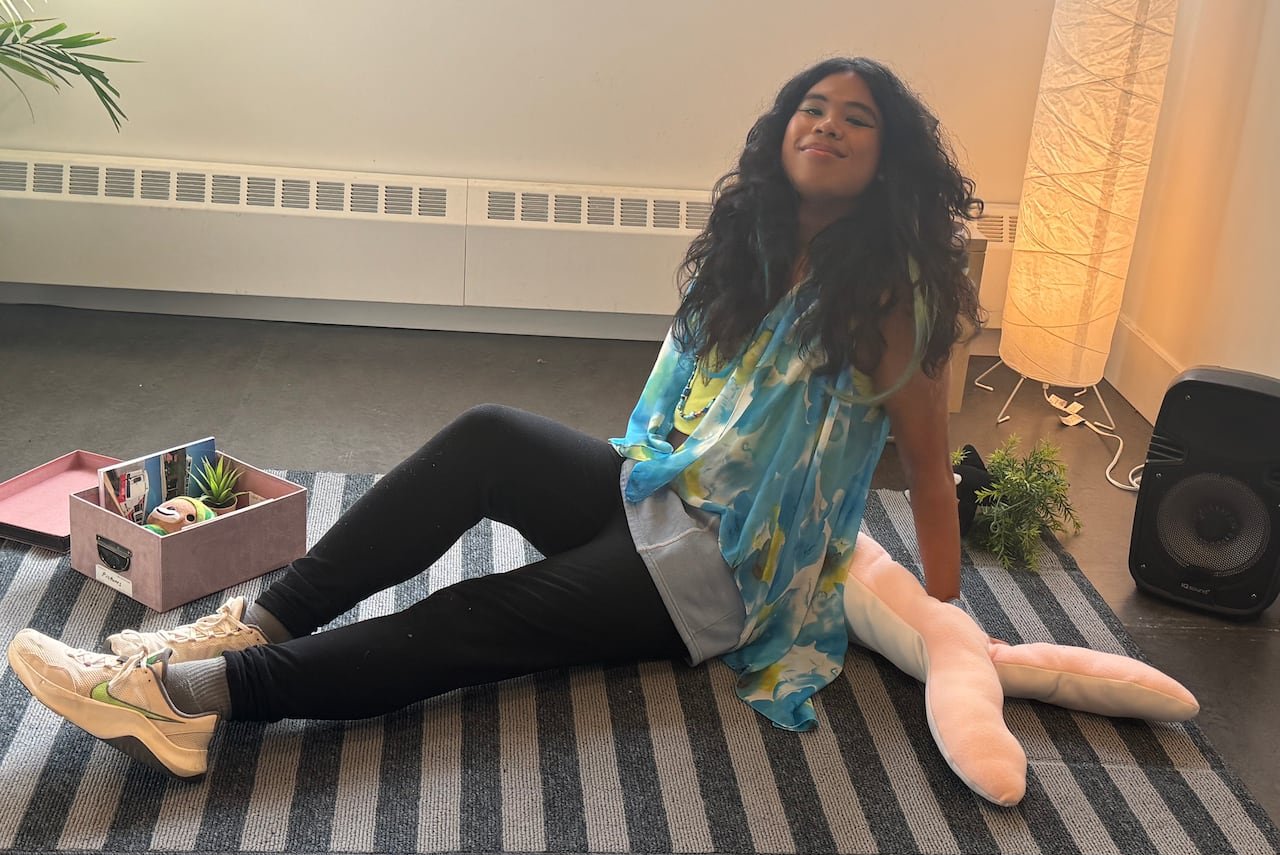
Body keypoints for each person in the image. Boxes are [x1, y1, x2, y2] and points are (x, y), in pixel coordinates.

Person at [6, 56, 982, 780]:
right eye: (811, 106)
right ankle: (249, 630)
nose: (825, 123)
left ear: (886, 158)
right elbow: (684, 413)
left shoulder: (884, 303)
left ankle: (188, 702)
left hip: (719, 571)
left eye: (855, 117)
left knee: (470, 620)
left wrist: (941, 616)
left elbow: (927, 464)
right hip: (647, 487)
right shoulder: (757, 245)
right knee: (488, 435)